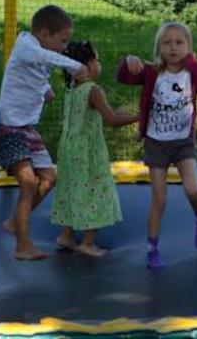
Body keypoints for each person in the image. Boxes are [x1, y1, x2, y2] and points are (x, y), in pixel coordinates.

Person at [117, 21, 197, 270]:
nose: (173, 48)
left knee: (192, 189)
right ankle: (152, 250)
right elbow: (124, 77)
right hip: (156, 142)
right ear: (159, 47)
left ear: (188, 47)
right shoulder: (152, 72)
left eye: (179, 43)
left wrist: (192, 63)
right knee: (159, 199)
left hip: (183, 142)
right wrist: (128, 61)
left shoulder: (191, 72)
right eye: (167, 43)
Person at [0, 5, 88, 261]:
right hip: (8, 126)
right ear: (44, 33)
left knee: (49, 178)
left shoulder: (36, 50)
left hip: (27, 128)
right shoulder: (26, 45)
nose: (64, 47)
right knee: (28, 183)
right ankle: (23, 245)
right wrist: (75, 66)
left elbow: (35, 70)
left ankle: (15, 222)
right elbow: (44, 59)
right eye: (62, 40)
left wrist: (46, 89)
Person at [50, 41, 138, 257]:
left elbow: (91, 114)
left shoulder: (72, 89)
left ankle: (66, 235)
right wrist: (139, 117)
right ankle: (88, 243)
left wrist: (114, 112)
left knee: (72, 189)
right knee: (95, 189)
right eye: (96, 60)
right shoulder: (93, 90)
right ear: (87, 65)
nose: (100, 64)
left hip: (69, 149)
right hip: (88, 153)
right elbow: (113, 121)